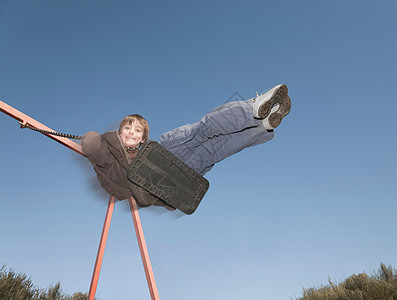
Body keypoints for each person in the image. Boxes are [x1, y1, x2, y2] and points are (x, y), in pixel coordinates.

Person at [82, 84, 291, 209]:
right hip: (173, 172)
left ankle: (262, 123)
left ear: (142, 139)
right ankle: (254, 112)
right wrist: (96, 138)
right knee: (210, 138)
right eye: (127, 128)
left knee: (213, 141)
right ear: (119, 133)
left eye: (137, 131)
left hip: (171, 159)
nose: (131, 132)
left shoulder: (141, 150)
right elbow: (94, 149)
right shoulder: (112, 155)